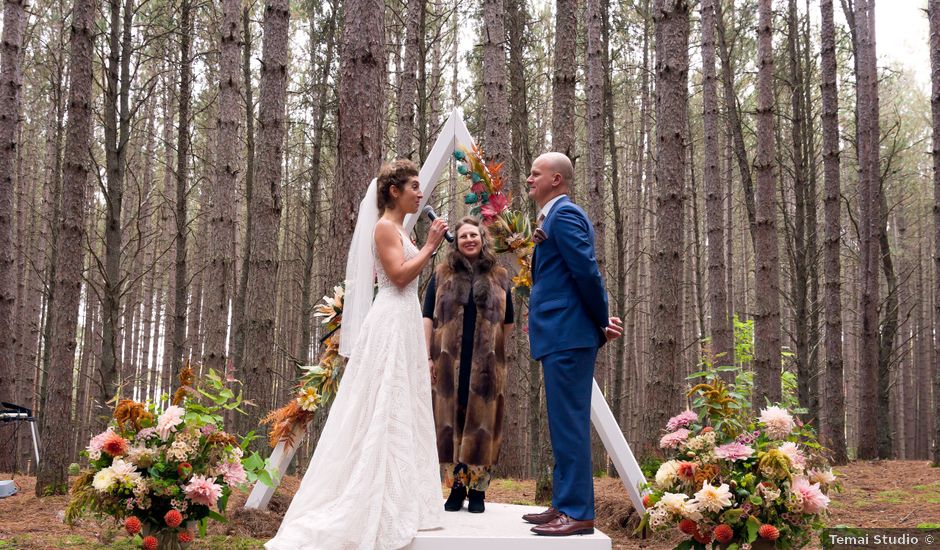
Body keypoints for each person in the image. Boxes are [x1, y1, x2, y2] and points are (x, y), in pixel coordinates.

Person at [266, 160, 449, 550]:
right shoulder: (384, 227)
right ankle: (368, 495)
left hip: (404, 320)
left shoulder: (399, 228)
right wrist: (431, 246)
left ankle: (403, 493)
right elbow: (399, 276)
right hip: (390, 320)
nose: (421, 193)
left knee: (403, 401)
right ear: (394, 192)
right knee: (382, 401)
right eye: (414, 187)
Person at [521, 152, 623, 537]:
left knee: (571, 425)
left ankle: (579, 512)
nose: (529, 179)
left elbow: (587, 271)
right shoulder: (552, 218)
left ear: (557, 180)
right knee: (562, 423)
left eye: (536, 174)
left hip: (568, 334)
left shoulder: (564, 216)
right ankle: (564, 503)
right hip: (560, 334)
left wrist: (600, 321)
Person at [422, 217, 514, 514]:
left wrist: (491, 347)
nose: (469, 240)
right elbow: (427, 316)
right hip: (449, 364)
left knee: (483, 423)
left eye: (474, 234)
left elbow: (508, 321)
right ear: (456, 242)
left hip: (487, 365)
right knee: (450, 421)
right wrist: (427, 356)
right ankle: (456, 487)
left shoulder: (500, 275)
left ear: (482, 238)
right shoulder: (441, 274)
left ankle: (478, 491)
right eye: (463, 236)